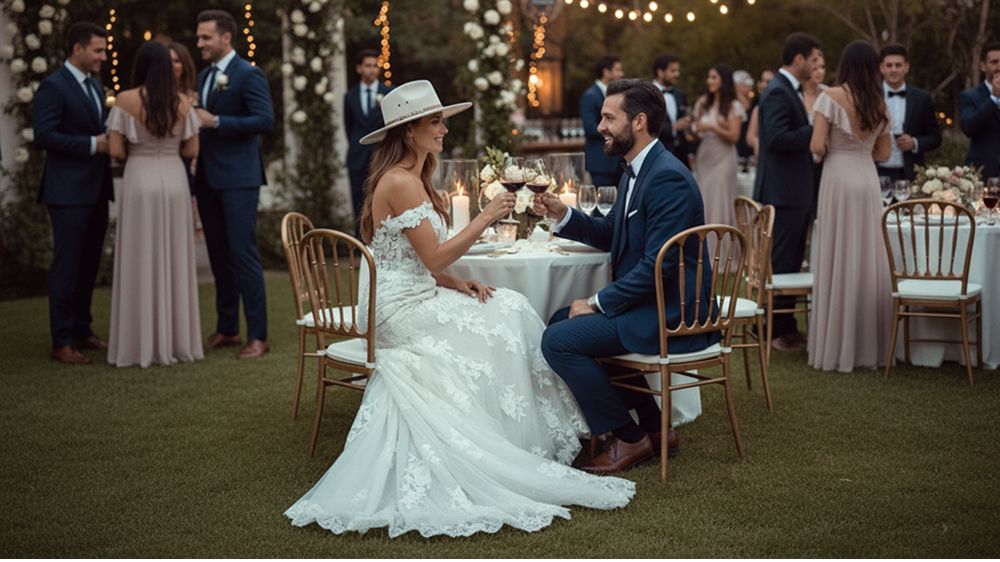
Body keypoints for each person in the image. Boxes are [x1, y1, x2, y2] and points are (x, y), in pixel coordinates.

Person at [284, 80, 634, 538]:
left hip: (419, 290)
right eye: (435, 122)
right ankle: (513, 443)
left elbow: (420, 264)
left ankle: (527, 437)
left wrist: (456, 282)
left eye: (442, 121)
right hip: (395, 309)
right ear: (409, 131)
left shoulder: (415, 176)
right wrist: (487, 216)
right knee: (505, 319)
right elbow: (433, 258)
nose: (444, 129)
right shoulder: (398, 181)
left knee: (509, 304)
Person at [534, 79, 718, 474]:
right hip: (649, 302)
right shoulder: (636, 170)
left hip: (671, 311)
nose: (599, 126)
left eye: (608, 118)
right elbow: (611, 234)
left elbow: (658, 265)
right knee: (560, 320)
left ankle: (629, 438)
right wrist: (563, 215)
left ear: (638, 122)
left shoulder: (666, 177)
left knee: (559, 340)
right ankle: (655, 429)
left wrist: (597, 302)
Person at [105, 42, 203, 368]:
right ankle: (177, 341)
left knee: (139, 254)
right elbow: (191, 150)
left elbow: (116, 151)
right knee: (175, 255)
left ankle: (139, 341)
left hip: (139, 179)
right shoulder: (184, 103)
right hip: (174, 180)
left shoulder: (125, 100)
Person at [193, 10, 275, 358]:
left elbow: (265, 120)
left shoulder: (248, 74)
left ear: (226, 38)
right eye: (199, 37)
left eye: (206, 37)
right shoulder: (203, 76)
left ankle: (258, 335)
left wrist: (217, 121)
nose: (199, 43)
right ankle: (227, 328)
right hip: (206, 178)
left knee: (243, 254)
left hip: (239, 179)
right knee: (218, 256)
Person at [808, 40, 893, 372]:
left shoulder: (829, 97)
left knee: (838, 252)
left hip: (838, 180)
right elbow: (884, 153)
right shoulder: (879, 103)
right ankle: (867, 346)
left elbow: (817, 145)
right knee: (864, 255)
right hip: (867, 179)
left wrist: (834, 148)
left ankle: (836, 345)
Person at [32, 22, 113, 364]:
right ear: (77, 48)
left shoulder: (95, 84)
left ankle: (82, 329)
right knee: (68, 266)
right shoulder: (53, 86)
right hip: (67, 192)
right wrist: (94, 144)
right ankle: (61, 340)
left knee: (89, 263)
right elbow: (44, 135)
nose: (103, 57)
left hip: (97, 189)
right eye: (98, 50)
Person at [754, 32, 822, 353]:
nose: (815, 65)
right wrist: (816, 128)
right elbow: (777, 139)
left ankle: (787, 325)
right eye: (813, 59)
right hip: (783, 193)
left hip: (793, 192)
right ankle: (774, 331)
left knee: (792, 263)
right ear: (799, 59)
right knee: (781, 265)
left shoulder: (786, 89)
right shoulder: (778, 92)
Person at [693, 64, 745, 239]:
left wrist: (713, 127)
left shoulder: (733, 106)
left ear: (724, 80)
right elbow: (695, 129)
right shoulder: (703, 103)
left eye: (714, 77)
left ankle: (722, 247)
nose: (709, 81)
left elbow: (734, 136)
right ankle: (703, 244)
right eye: (709, 77)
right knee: (704, 197)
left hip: (723, 156)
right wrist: (695, 128)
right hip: (704, 154)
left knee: (720, 198)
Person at [876, 44, 941, 182]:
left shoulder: (922, 98)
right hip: (875, 172)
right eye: (889, 65)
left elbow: (935, 137)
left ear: (907, 67)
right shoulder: (870, 97)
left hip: (910, 174)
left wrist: (914, 143)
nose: (893, 69)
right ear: (881, 68)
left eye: (898, 65)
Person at [344, 49, 391, 237]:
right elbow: (349, 127)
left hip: (382, 156)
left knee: (383, 201)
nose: (372, 69)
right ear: (359, 68)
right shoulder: (350, 96)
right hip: (357, 158)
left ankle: (382, 242)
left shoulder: (389, 93)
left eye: (375, 66)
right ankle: (359, 245)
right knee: (358, 203)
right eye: (368, 65)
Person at [582, 55, 624, 187]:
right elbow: (590, 128)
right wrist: (618, 130)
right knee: (603, 199)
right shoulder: (590, 96)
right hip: (601, 163)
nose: (621, 74)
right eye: (618, 70)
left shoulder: (620, 95)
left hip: (620, 161)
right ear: (606, 72)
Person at [959, 42, 1000, 179]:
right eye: (994, 62)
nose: (999, 66)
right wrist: (993, 98)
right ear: (983, 66)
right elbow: (968, 128)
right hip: (983, 173)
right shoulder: (970, 96)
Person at [169, 42, 200, 195]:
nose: (172, 66)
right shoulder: (156, 99)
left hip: (194, 162)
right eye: (168, 61)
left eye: (177, 61)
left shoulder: (195, 97)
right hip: (169, 159)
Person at [652, 53, 693, 165]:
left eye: (677, 70)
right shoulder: (648, 94)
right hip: (658, 153)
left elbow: (685, 126)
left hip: (681, 155)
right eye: (673, 71)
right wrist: (673, 127)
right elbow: (647, 124)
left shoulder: (680, 94)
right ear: (660, 72)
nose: (677, 74)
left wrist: (690, 152)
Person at [746, 69, 775, 157]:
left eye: (768, 81)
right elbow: (750, 137)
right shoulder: (756, 105)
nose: (764, 85)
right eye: (762, 81)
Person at [734, 69, 755, 160]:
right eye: (745, 85)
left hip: (748, 149)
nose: (749, 87)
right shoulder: (732, 105)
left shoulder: (752, 103)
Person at [802, 52, 827, 121]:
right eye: (815, 68)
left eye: (822, 67)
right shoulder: (795, 92)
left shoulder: (827, 92)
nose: (821, 72)